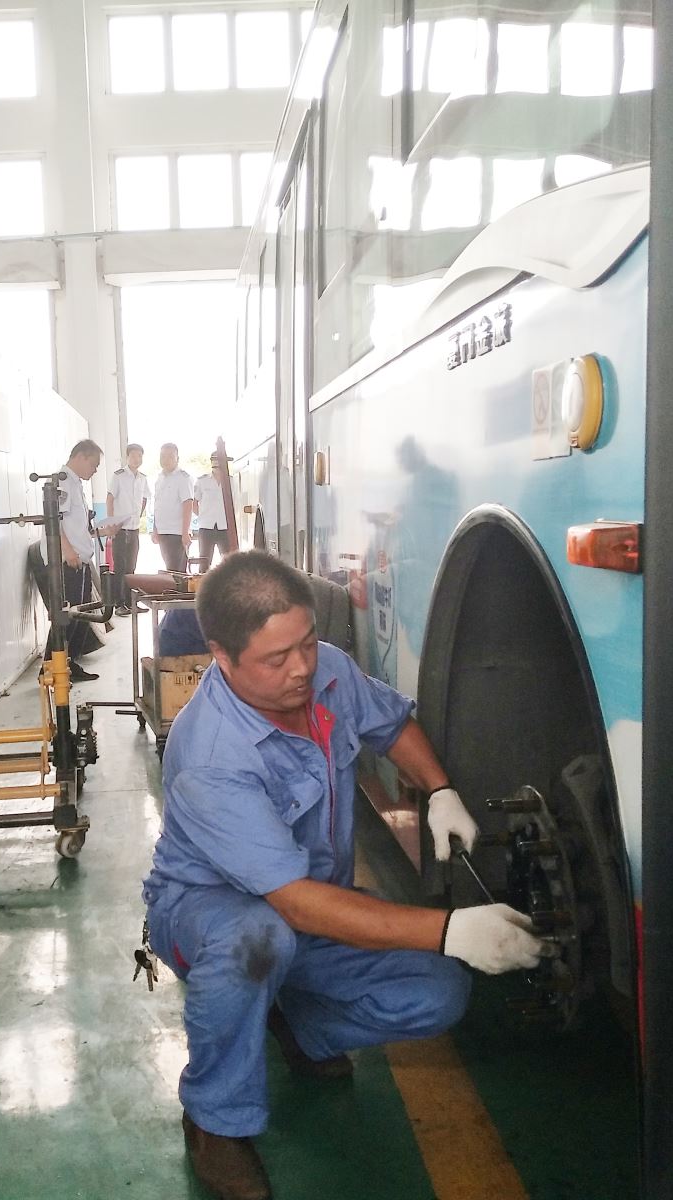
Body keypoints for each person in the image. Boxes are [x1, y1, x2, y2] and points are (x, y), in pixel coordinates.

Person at [142, 552, 548, 1200]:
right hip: (211, 913)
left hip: (315, 900)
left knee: (438, 991)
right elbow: (294, 904)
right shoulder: (211, 756)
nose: (302, 668)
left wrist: (440, 789)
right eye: (277, 658)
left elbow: (389, 723)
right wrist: (451, 929)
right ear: (221, 655)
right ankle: (214, 1121)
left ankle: (299, 1027)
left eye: (306, 642)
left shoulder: (326, 670)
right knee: (257, 940)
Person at [56, 438, 105, 682]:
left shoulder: (75, 483)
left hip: (79, 559)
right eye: (93, 464)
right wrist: (68, 551)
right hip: (69, 561)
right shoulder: (63, 481)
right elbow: (53, 520)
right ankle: (52, 667)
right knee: (67, 617)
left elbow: (76, 525)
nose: (94, 470)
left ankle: (70, 663)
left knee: (80, 615)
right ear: (81, 457)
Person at [106, 443, 150, 616]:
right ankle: (119, 604)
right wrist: (111, 523)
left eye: (139, 456)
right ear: (127, 457)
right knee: (120, 567)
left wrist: (139, 515)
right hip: (120, 528)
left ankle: (131, 603)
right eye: (133, 455)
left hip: (134, 528)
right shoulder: (118, 476)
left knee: (131, 567)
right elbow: (110, 498)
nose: (136, 459)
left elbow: (145, 498)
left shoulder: (142, 478)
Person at [152, 442, 196, 573]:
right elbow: (157, 506)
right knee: (169, 570)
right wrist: (155, 529)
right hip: (163, 531)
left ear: (177, 458)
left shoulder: (183, 478)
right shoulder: (159, 478)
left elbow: (188, 505)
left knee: (177, 572)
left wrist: (185, 533)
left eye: (170, 456)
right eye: (163, 456)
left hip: (177, 533)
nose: (166, 460)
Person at [193, 469, 230, 572]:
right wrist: (203, 516)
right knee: (204, 562)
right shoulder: (202, 481)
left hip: (225, 526)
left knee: (229, 562)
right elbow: (194, 502)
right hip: (206, 527)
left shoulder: (231, 481)